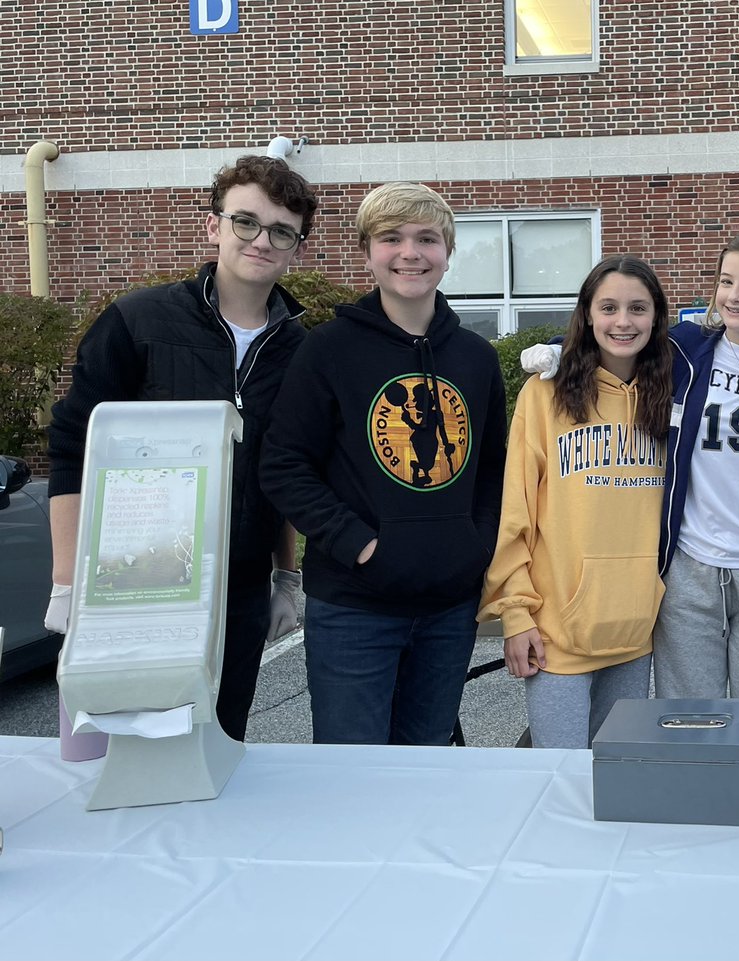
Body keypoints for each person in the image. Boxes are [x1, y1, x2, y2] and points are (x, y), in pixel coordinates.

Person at [44, 155, 318, 741]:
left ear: (297, 248)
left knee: (219, 748)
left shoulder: (298, 350)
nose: (261, 240)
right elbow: (73, 447)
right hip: (137, 587)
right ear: (213, 225)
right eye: (245, 221)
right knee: (131, 751)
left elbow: (280, 470)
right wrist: (67, 583)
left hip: (241, 591)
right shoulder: (137, 322)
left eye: (281, 231)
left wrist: (285, 577)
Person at [524, 230, 739, 743]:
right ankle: (691, 816)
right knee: (687, 723)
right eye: (726, 281)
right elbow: (618, 335)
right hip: (689, 568)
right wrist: (555, 350)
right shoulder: (683, 352)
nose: (734, 295)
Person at [259, 181, 507, 746]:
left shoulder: (475, 358)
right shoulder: (327, 350)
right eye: (390, 238)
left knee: (427, 768)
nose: (410, 253)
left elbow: (493, 469)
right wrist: (358, 543)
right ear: (368, 250)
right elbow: (283, 463)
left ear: (447, 251)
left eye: (426, 238)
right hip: (355, 608)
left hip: (449, 608)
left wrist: (475, 547)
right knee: (352, 775)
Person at [478, 256, 673, 748]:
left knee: (618, 780)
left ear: (656, 316)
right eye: (608, 307)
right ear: (587, 313)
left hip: (635, 633)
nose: (623, 322)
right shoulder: (545, 394)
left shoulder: (670, 396)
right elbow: (516, 514)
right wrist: (516, 616)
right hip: (558, 633)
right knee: (559, 780)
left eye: (637, 308)